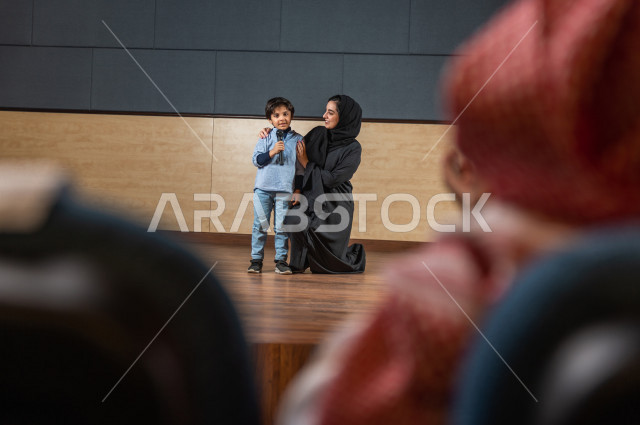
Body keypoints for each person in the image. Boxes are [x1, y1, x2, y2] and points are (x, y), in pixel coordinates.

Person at [276, 0, 640, 423]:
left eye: (331, 110)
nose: (324, 115)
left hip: (333, 200)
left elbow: (321, 408)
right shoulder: (316, 137)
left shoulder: (453, 292)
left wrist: (308, 169)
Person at [261, 95, 366, 274]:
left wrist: (307, 163)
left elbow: (333, 179)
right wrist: (270, 134)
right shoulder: (318, 134)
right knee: (293, 218)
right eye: (325, 111)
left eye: (330, 112)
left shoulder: (353, 148)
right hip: (309, 195)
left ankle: (334, 257)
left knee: (330, 265)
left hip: (335, 203)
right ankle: (298, 263)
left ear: (345, 117)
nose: (324, 115)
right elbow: (291, 151)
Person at [249, 97, 303, 274]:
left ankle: (281, 261)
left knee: (282, 227)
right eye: (276, 115)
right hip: (263, 188)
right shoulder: (265, 137)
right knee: (260, 225)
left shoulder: (298, 140)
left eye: (285, 114)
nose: (282, 118)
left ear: (291, 116)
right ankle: (256, 260)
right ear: (270, 119)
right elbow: (256, 160)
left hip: (285, 189)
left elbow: (300, 168)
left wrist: (297, 190)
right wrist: (272, 152)